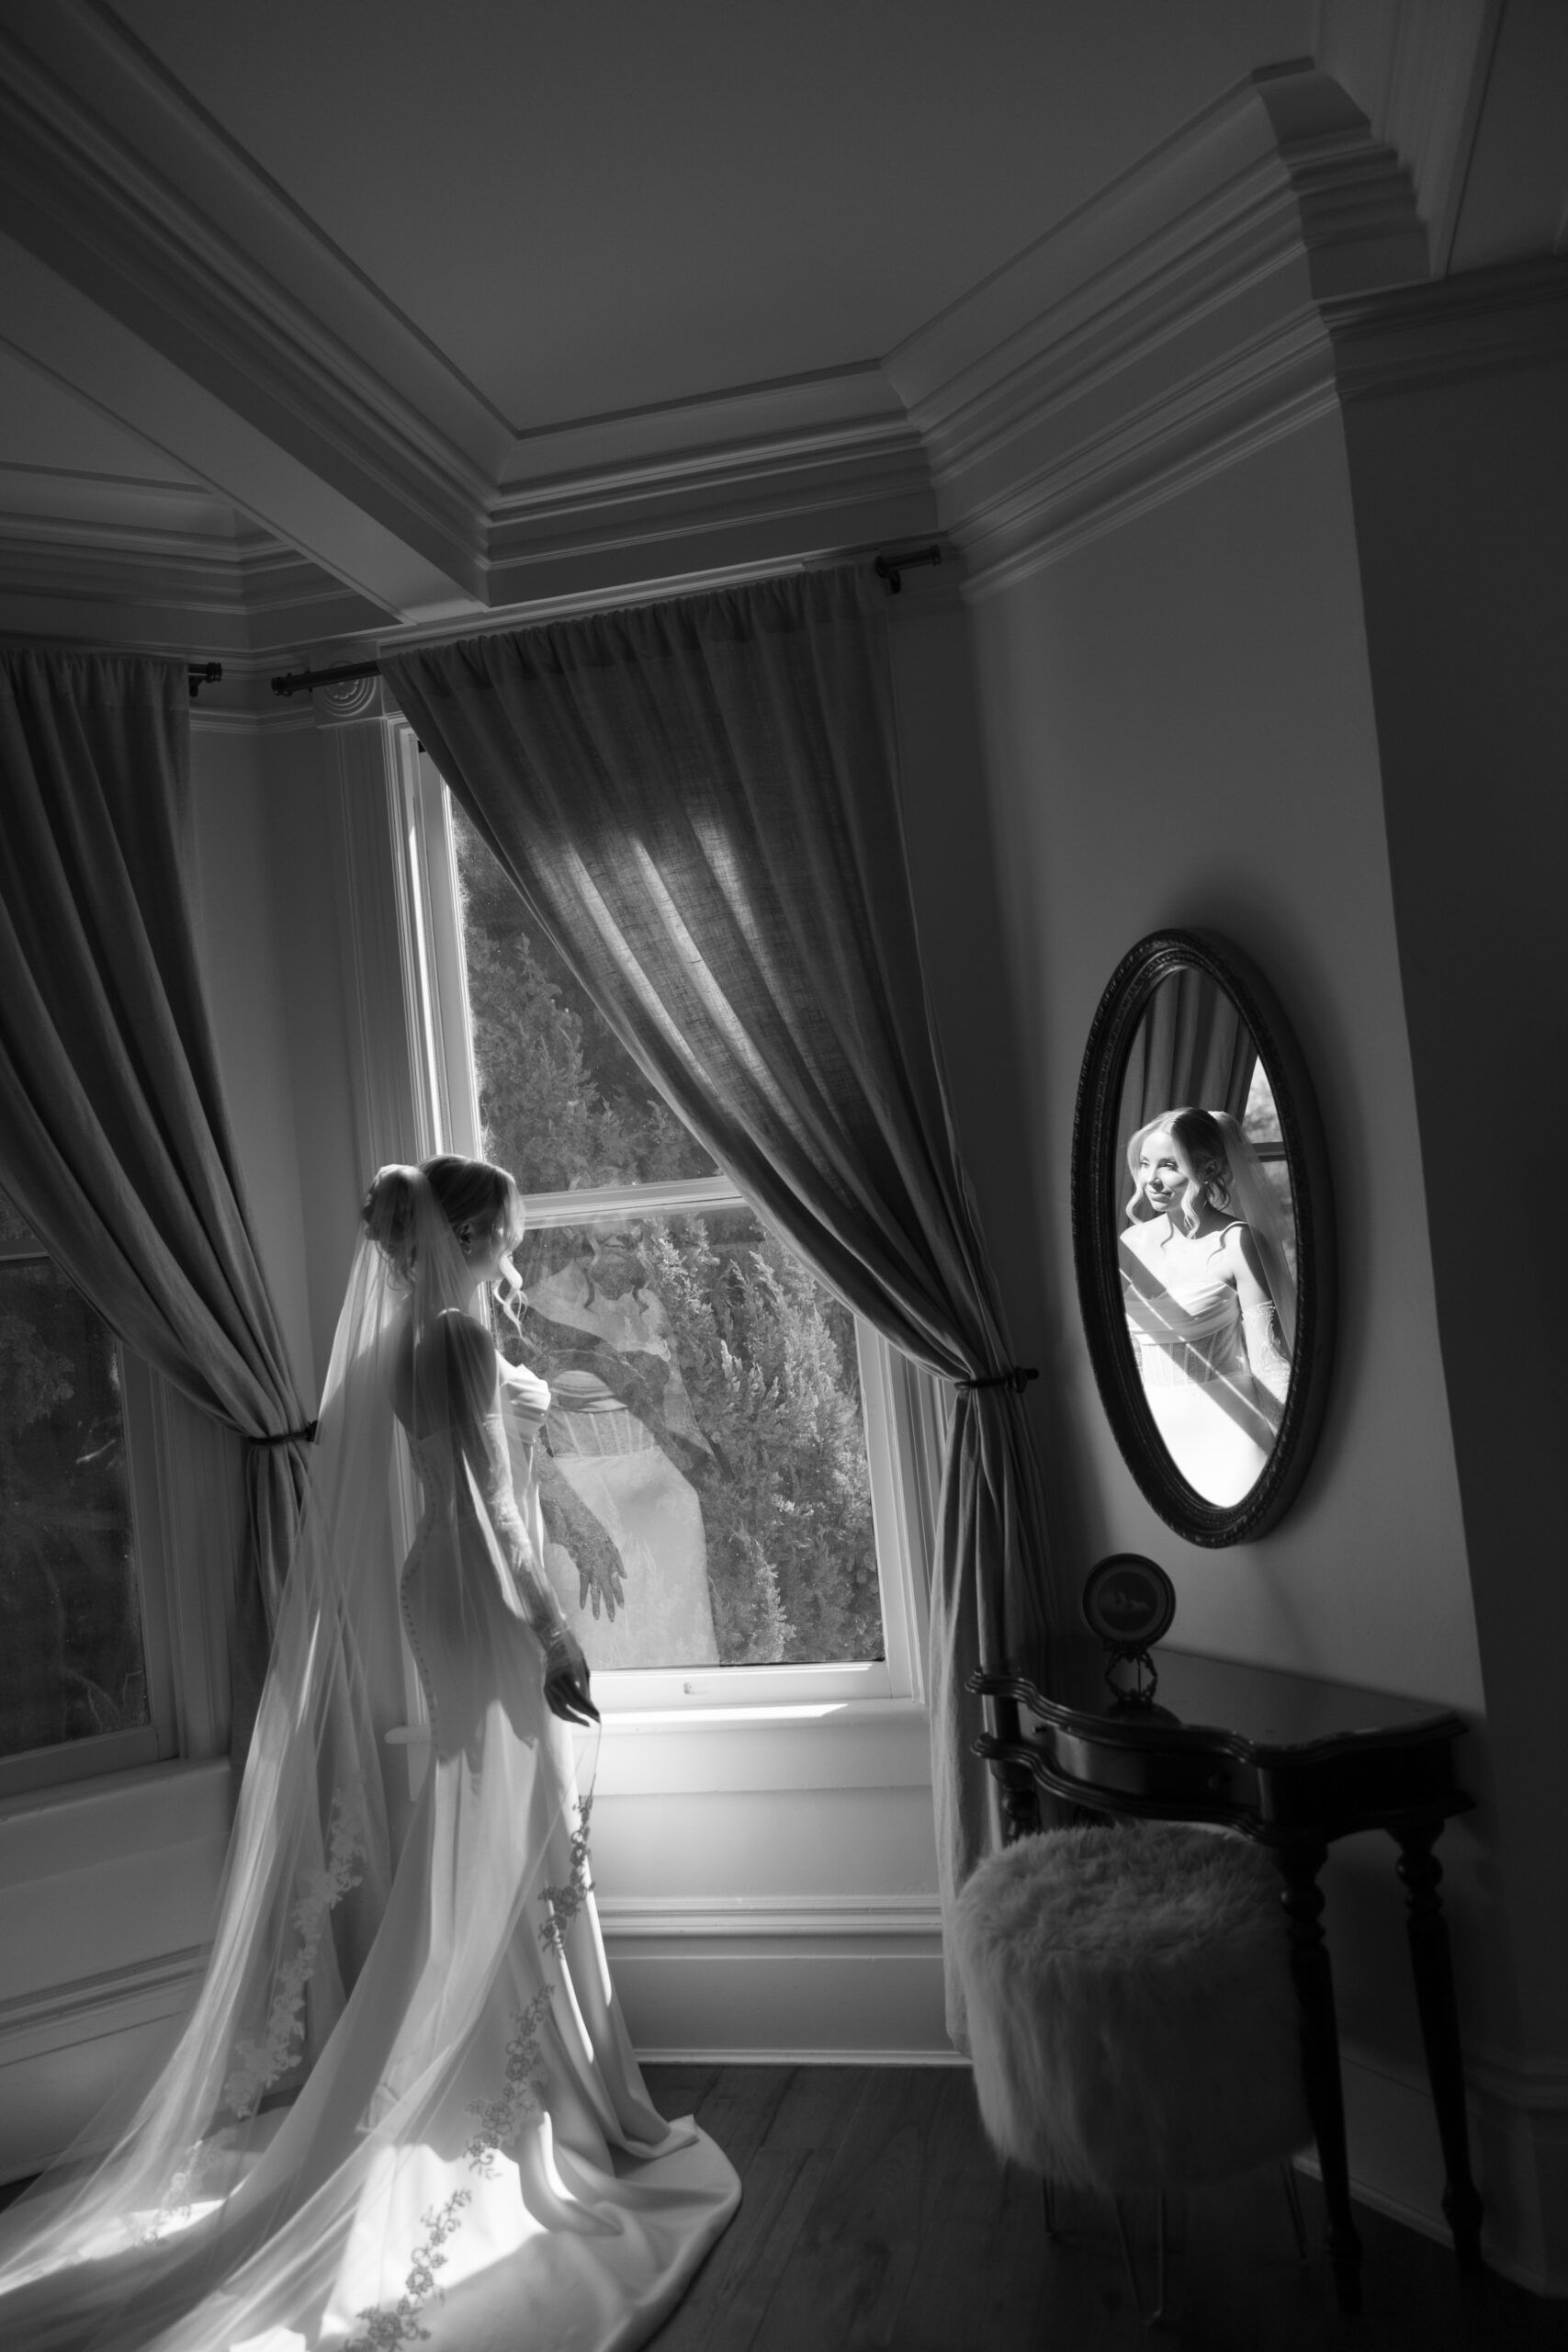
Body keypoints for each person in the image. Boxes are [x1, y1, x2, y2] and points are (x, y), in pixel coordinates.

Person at [0, 1156, 739, 2351]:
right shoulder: (449, 1338)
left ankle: (523, 2056)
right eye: (501, 1216)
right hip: (481, 1599)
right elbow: (493, 1502)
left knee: (496, 1837)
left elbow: (504, 1471)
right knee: (525, 1836)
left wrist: (568, 1513)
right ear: (470, 1227)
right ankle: (537, 2085)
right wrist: (550, 1632)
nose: (516, 1228)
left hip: (437, 1596)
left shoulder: (411, 1340)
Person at [1119, 1109, 1295, 1508]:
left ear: (1208, 1167)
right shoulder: (1130, 1242)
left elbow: (1269, 1361)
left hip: (1231, 1434)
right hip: (1152, 1436)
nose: (1151, 1180)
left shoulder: (1236, 1243)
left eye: (1168, 1165)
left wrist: (1291, 1448)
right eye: (1144, 1164)